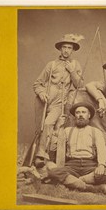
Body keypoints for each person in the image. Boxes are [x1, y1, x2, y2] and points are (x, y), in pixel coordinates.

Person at [33, 34, 84, 163]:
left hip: (62, 103)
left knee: (49, 124)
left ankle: (41, 155)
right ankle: (41, 156)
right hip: (46, 101)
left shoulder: (75, 64)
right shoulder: (51, 65)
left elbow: (79, 85)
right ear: (60, 49)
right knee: (42, 128)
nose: (66, 50)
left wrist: (72, 71)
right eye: (64, 47)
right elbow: (37, 83)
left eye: (69, 48)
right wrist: (41, 93)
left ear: (72, 50)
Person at [47, 102, 106, 194]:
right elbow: (53, 149)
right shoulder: (67, 131)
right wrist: (58, 128)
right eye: (78, 113)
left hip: (90, 166)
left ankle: (75, 182)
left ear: (89, 115)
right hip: (71, 166)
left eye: (83, 112)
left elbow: (102, 150)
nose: (80, 115)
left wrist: (101, 165)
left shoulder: (96, 131)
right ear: (75, 115)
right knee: (52, 172)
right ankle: (91, 188)